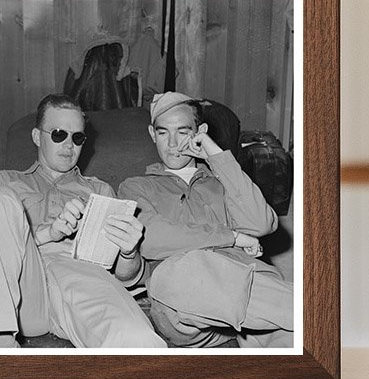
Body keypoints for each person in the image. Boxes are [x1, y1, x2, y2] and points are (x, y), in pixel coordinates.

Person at [0, 94, 166, 349]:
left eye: (77, 137)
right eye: (59, 134)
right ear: (38, 137)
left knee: (138, 343)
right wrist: (49, 233)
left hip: (81, 281)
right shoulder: (6, 182)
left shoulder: (100, 190)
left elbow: (125, 277)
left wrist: (129, 252)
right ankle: (0, 339)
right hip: (23, 292)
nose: (69, 145)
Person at [117, 92, 293, 348]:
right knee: (174, 273)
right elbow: (150, 238)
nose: (173, 143)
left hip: (252, 297)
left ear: (200, 131)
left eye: (183, 131)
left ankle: (307, 313)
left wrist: (215, 154)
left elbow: (261, 223)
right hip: (185, 309)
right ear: (152, 134)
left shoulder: (221, 181)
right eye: (163, 132)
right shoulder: (136, 187)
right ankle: (316, 310)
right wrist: (232, 237)